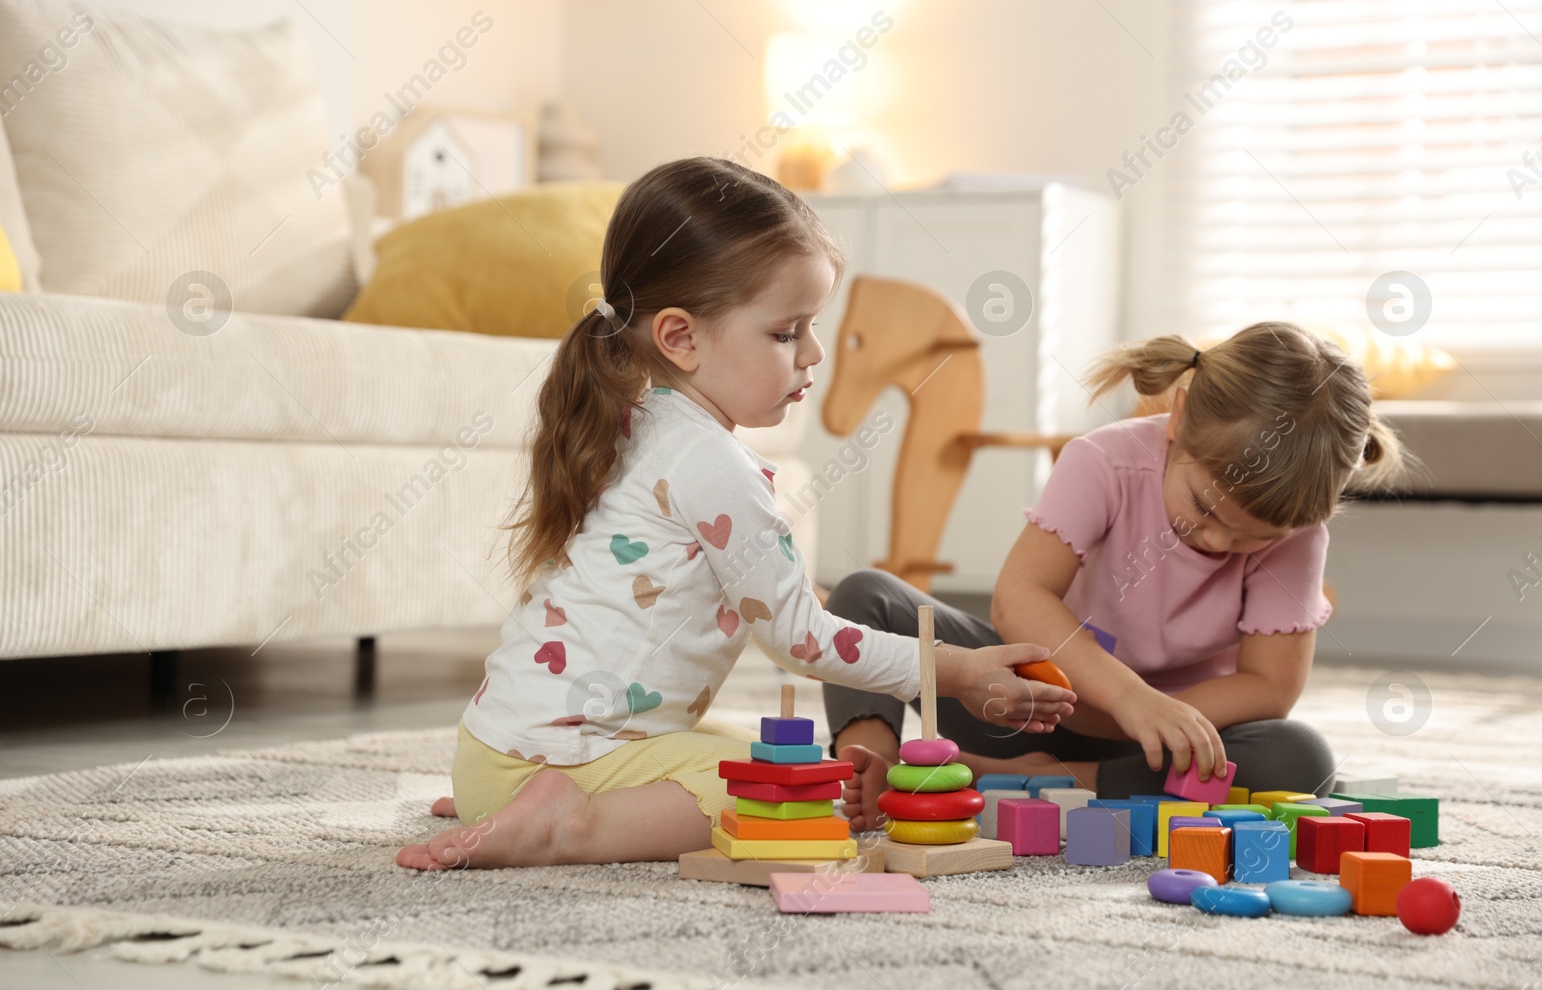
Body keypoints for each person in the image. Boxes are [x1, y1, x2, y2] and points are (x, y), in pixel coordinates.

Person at [395, 157, 1071, 871]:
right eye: (786, 333)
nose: (813, 354)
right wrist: (957, 671)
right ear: (680, 337)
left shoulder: (632, 421)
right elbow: (799, 641)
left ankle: (509, 800)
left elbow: (774, 601)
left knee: (778, 754)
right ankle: (564, 824)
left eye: (812, 328)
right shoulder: (712, 465)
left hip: (491, 750)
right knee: (791, 800)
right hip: (560, 757)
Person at [823, 322, 1409, 830]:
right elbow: (1020, 598)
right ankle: (877, 760)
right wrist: (1124, 697)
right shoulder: (1105, 461)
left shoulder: (1299, 532)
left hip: (1158, 742)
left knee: (1299, 759)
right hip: (1035, 701)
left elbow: (1270, 686)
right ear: (1178, 416)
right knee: (864, 598)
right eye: (1204, 508)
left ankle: (1058, 781)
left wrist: (1153, 713)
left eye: (1256, 537)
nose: (1220, 542)